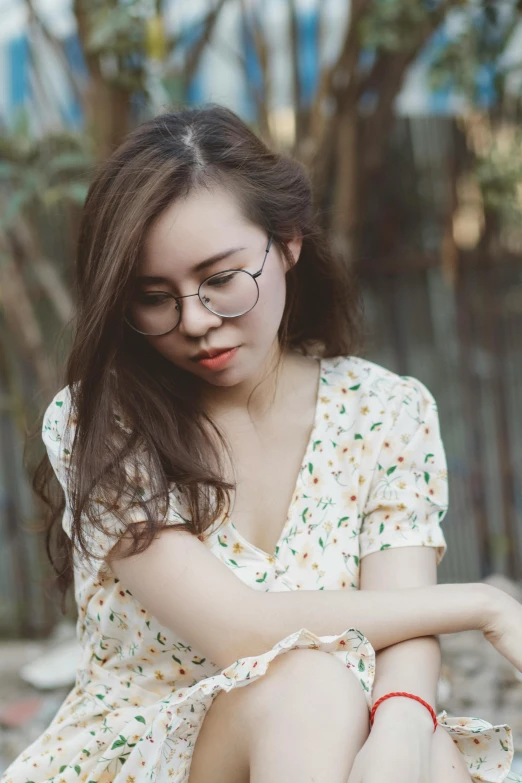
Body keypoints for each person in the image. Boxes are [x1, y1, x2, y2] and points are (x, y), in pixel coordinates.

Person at [2, 104, 522, 783]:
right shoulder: (102, 421)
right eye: (155, 295)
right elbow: (241, 629)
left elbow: (404, 626)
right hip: (152, 758)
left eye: (220, 280)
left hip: (327, 739)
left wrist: (400, 724)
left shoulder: (384, 408)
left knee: (421, 751)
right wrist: (482, 604)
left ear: (287, 242)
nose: (194, 320)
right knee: (310, 683)